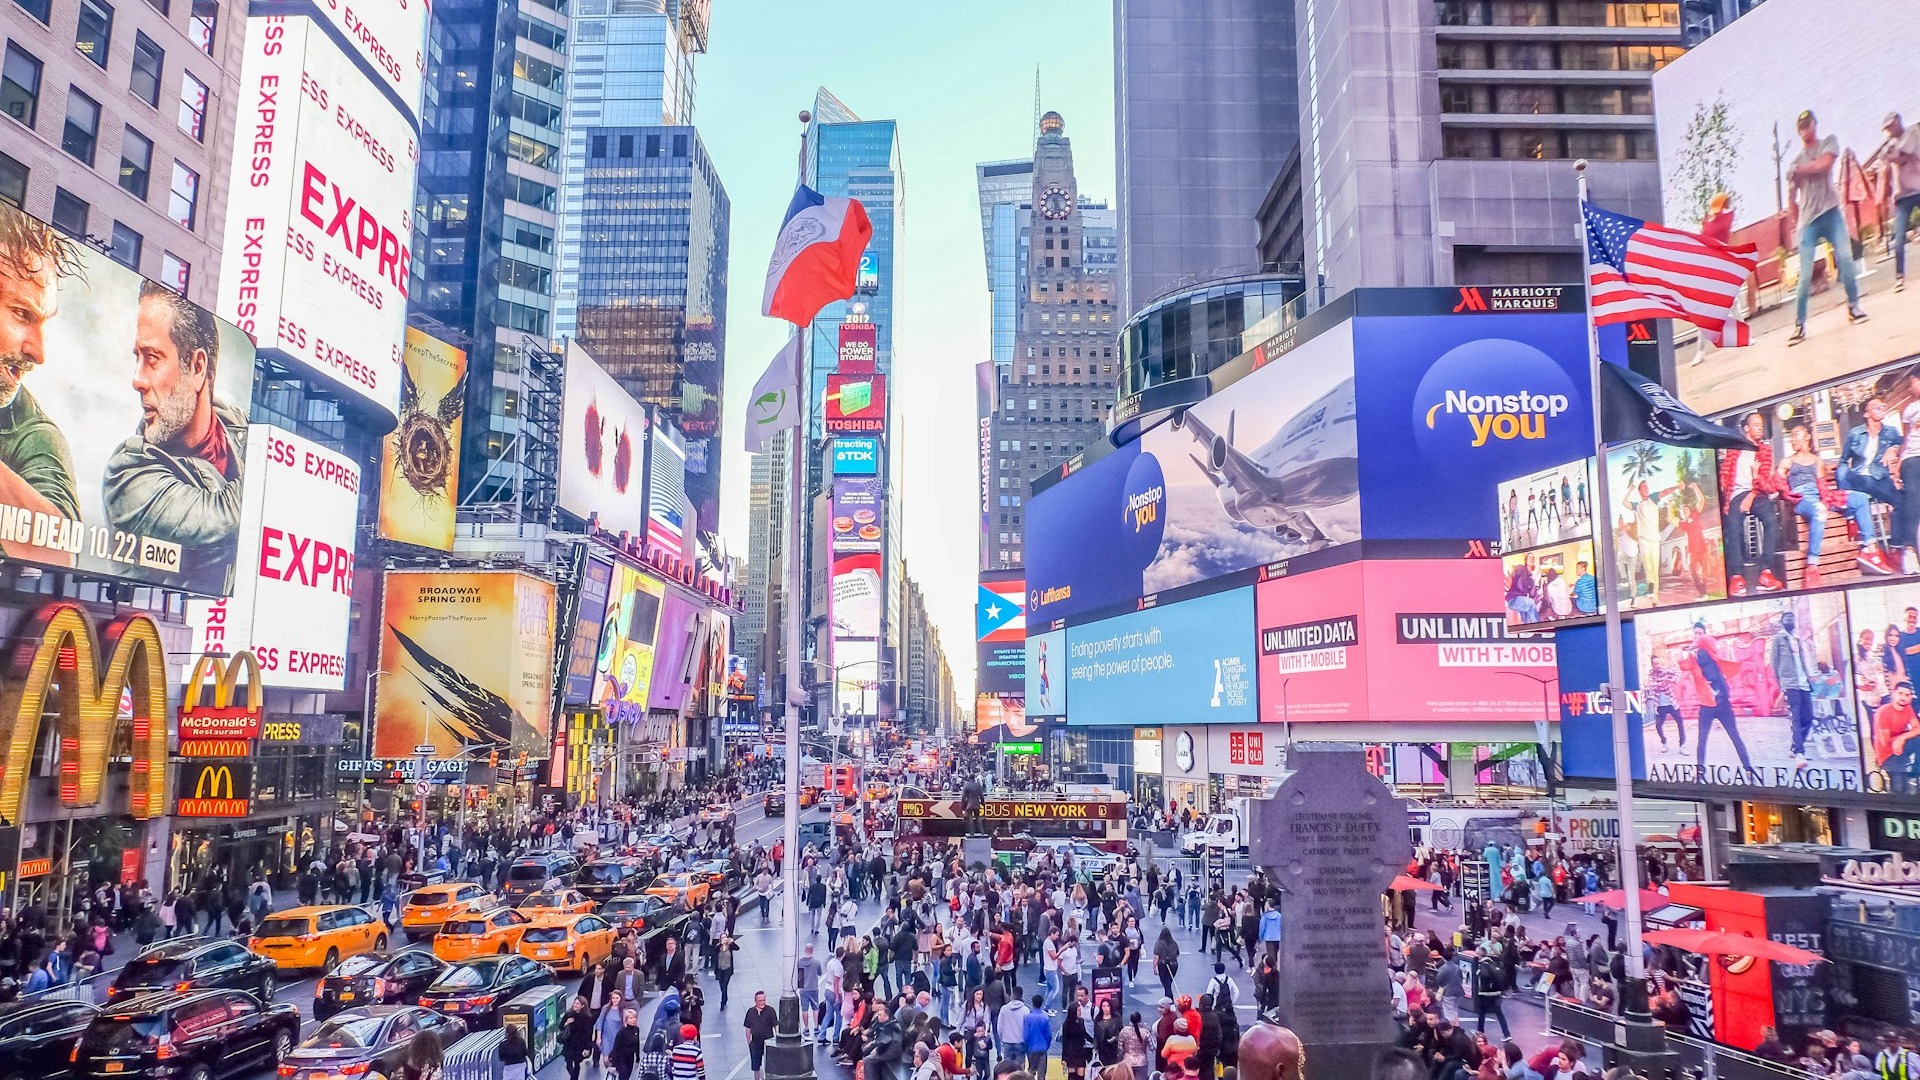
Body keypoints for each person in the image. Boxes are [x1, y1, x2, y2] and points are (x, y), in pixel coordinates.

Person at [104, 281, 248, 590]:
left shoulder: (238, 427)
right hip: (164, 613)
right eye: (137, 357)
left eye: (152, 358)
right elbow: (228, 517)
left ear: (197, 367)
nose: (138, 380)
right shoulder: (128, 475)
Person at [0, 204, 81, 566]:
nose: (38, 352)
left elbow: (57, 551)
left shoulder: (33, 433)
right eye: (21, 314)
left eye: (42, 322)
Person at [1786, 110, 1867, 344]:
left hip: (1831, 213)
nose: (1805, 130)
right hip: (1808, 220)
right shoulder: (1794, 162)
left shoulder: (1828, 143)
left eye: (1808, 125)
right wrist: (1795, 223)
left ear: (1814, 125)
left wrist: (1801, 170)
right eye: (1801, 127)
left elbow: (1824, 165)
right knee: (1805, 275)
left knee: (1845, 257)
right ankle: (1799, 325)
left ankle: (1854, 307)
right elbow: (1792, 196)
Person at [1837, 396, 1903, 575]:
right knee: (1845, 473)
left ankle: (1896, 547)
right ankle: (1852, 519)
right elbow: (1844, 461)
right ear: (1867, 413)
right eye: (1876, 406)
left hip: (1879, 478)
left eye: (1883, 405)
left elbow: (1902, 442)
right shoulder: (1855, 434)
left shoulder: (1891, 431)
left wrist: (1893, 449)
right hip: (1859, 478)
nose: (1882, 407)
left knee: (1902, 500)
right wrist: (1843, 480)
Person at [1720, 412, 1784, 596]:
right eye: (1756, 425)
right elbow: (1725, 474)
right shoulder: (1735, 449)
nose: (1760, 428)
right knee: (1733, 526)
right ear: (1746, 428)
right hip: (1738, 493)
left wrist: (1752, 495)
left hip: (1758, 493)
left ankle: (1765, 572)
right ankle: (1737, 576)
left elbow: (1763, 480)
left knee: (1771, 521)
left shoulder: (1764, 450)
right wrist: (1728, 493)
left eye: (1761, 425)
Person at [1690, 622, 1757, 775]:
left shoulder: (1710, 648)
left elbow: (1707, 642)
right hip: (1707, 704)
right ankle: (1700, 770)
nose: (1698, 636)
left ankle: (1748, 768)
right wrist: (1691, 649)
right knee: (1702, 738)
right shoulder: (1695, 655)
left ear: (1705, 634)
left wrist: (1696, 643)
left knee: (1734, 735)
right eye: (1696, 633)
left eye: (1700, 633)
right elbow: (1686, 665)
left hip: (1722, 703)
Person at [1873, 680, 1920, 793]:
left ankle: (1915, 771)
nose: (1903, 697)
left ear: (1910, 697)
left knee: (1911, 790)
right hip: (1887, 755)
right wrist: (1903, 738)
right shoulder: (1883, 712)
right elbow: (1885, 742)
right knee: (1899, 790)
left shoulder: (1908, 708)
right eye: (1900, 693)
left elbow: (1918, 728)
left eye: (1907, 695)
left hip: (1901, 750)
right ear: (1893, 693)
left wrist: (1901, 738)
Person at [1471, 953, 1509, 1039]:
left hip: (1485, 993)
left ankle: (1480, 1031)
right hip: (1496, 992)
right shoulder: (1493, 962)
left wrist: (1478, 972)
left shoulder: (1483, 965)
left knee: (1482, 1012)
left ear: (1480, 954)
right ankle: (1507, 1034)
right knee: (1499, 1013)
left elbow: (1484, 975)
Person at [562, 995, 597, 1080]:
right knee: (568, 1064)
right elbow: (560, 1026)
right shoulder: (569, 1014)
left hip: (579, 1044)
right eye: (575, 1003)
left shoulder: (587, 1018)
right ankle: (573, 1077)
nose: (575, 1005)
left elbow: (589, 1034)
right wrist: (566, 1022)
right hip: (569, 1043)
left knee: (577, 1063)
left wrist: (587, 1048)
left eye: (578, 1004)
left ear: (583, 1006)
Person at [1022, 993, 1052, 1077]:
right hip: (1042, 1048)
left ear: (1032, 1003)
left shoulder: (1028, 1017)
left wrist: (1026, 1046)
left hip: (1031, 1049)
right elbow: (1048, 1035)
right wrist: (1047, 1045)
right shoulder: (1045, 1017)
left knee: (1031, 1071)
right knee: (1041, 1074)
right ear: (1041, 1003)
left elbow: (1026, 1035)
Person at [713, 934, 737, 1011]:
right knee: (722, 986)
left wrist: (732, 942)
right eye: (722, 938)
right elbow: (714, 951)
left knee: (724, 985)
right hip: (720, 969)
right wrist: (721, 944)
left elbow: (737, 948)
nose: (724, 939)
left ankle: (722, 1002)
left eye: (725, 937)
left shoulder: (730, 947)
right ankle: (725, 997)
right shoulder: (718, 947)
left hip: (727, 969)